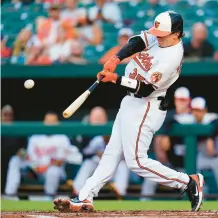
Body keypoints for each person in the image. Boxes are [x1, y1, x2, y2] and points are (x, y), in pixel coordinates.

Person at [54, 11, 204, 212]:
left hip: (147, 105)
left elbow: (145, 89)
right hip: (130, 102)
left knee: (137, 162)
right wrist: (116, 58)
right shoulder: (159, 37)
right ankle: (85, 197)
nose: (157, 36)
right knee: (110, 153)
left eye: (162, 33)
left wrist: (115, 79)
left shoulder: (172, 57)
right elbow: (136, 42)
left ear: (176, 34)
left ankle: (188, 182)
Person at [4, 111, 81, 198]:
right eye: (48, 122)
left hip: (52, 170)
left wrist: (46, 167)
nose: (49, 124)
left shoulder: (62, 138)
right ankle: (9, 195)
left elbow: (61, 161)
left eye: (52, 122)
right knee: (15, 160)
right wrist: (24, 156)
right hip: (35, 169)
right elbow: (29, 156)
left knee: (53, 171)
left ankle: (48, 197)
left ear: (57, 123)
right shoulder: (35, 137)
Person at [141, 87, 194, 200]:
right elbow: (160, 137)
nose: (180, 102)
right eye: (178, 99)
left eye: (183, 99)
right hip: (171, 161)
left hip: (189, 162)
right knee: (151, 176)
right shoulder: (168, 116)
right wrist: (161, 150)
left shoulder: (194, 116)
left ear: (189, 100)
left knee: (192, 180)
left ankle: (196, 205)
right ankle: (143, 203)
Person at [190, 97, 218, 191]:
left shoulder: (212, 118)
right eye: (194, 110)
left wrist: (210, 138)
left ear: (205, 110)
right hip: (201, 156)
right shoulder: (189, 119)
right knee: (195, 176)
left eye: (199, 110)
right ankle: (200, 200)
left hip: (215, 155)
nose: (196, 113)